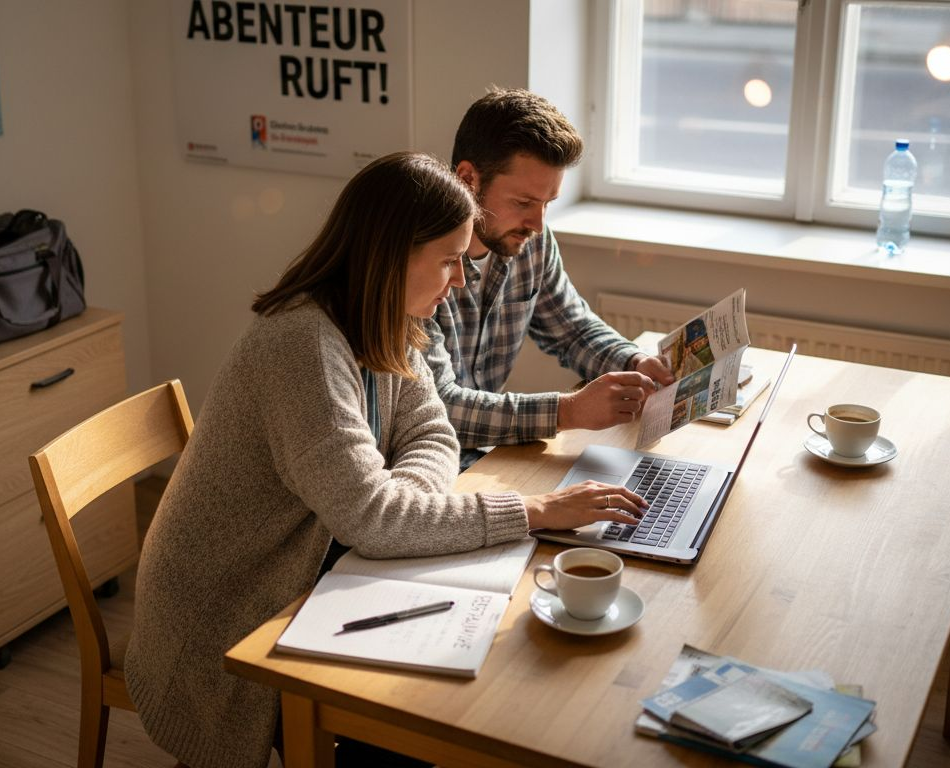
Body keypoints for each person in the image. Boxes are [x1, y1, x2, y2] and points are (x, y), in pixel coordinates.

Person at [124, 152, 648, 768]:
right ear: (391, 255)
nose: (458, 280)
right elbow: (373, 520)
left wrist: (400, 505)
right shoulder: (303, 347)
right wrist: (531, 511)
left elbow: (432, 434)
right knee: (408, 726)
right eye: (450, 260)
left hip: (317, 565)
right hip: (226, 611)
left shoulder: (389, 318)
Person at [424, 88, 675, 468]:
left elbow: (572, 329)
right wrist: (568, 411)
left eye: (547, 204)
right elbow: (439, 406)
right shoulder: (415, 263)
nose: (537, 225)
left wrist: (633, 361)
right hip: (425, 472)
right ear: (467, 179)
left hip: (487, 460)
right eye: (524, 203)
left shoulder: (530, 243)